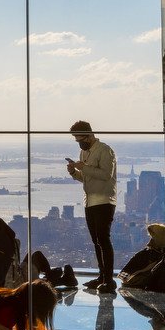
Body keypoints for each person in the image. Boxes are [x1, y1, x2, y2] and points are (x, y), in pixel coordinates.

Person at [66, 122, 117, 293]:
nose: (79, 142)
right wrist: (75, 172)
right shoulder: (84, 152)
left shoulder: (105, 150)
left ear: (89, 135)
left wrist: (84, 167)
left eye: (80, 138)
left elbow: (105, 175)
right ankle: (102, 277)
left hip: (104, 200)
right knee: (96, 241)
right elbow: (87, 178)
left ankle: (109, 281)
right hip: (90, 201)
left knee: (103, 239)